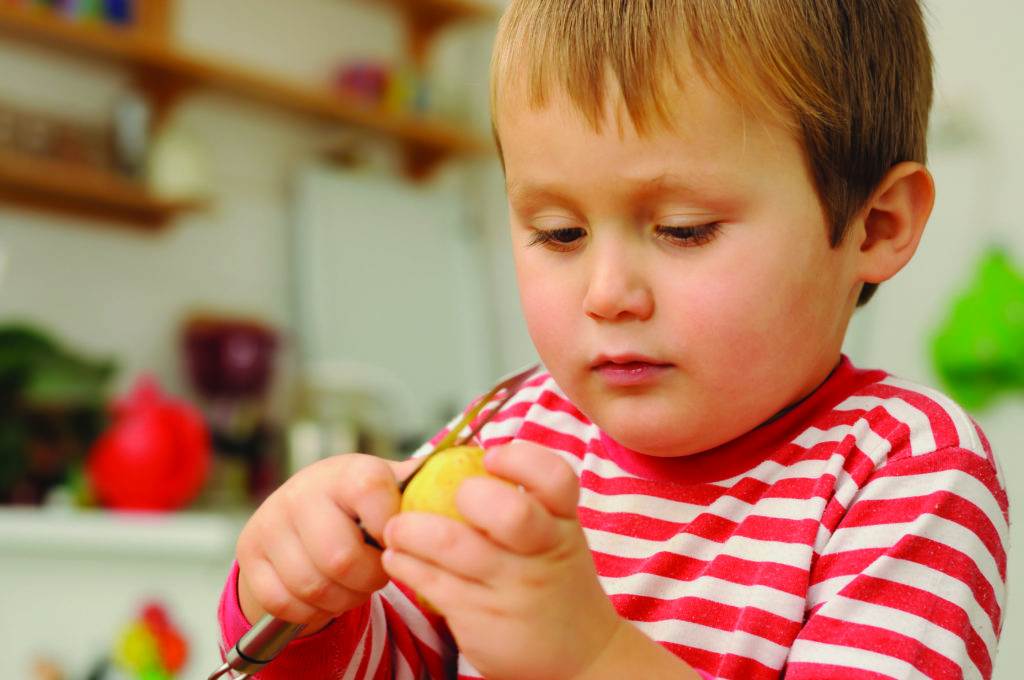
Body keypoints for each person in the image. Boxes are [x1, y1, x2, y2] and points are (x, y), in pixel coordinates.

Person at [218, 1, 1010, 677]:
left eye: (683, 230)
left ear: (878, 225)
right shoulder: (514, 432)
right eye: (560, 234)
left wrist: (592, 658)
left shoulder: (906, 474)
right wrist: (303, 604)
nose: (607, 295)